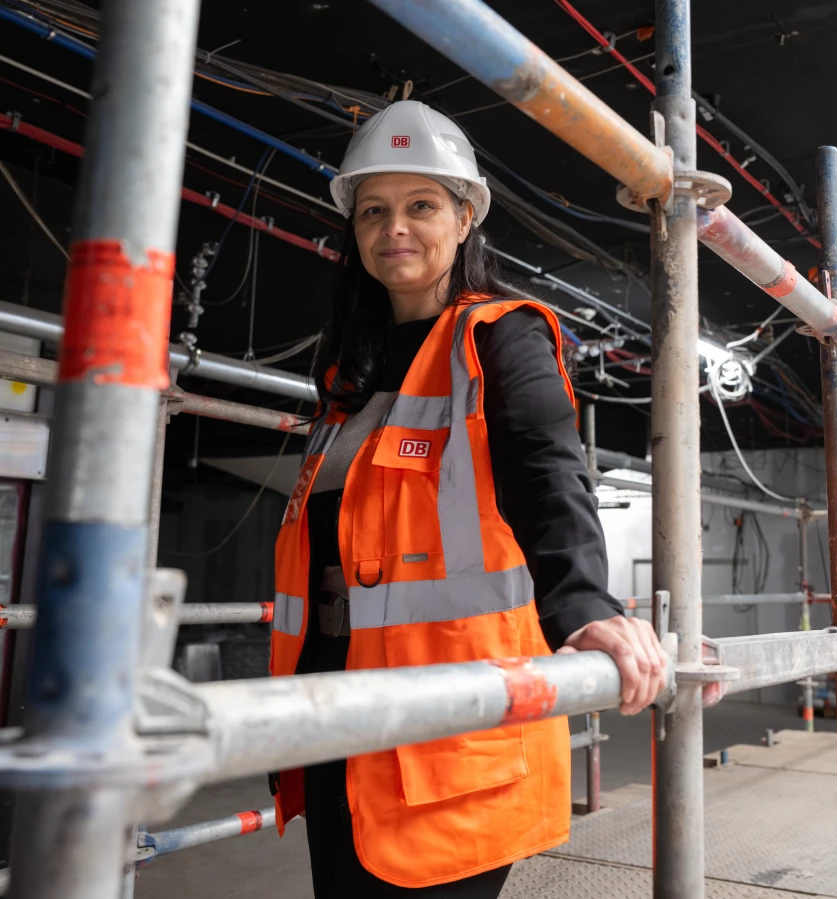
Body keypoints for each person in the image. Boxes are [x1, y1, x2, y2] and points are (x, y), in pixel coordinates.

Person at [267, 100, 670, 897]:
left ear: (464, 218)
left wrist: (584, 605)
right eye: (373, 210)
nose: (395, 227)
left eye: (421, 205)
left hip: (451, 729)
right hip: (333, 714)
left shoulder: (498, 337)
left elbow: (546, 471)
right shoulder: (351, 375)